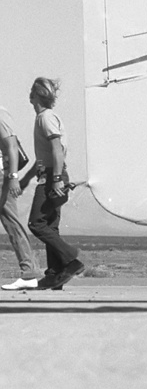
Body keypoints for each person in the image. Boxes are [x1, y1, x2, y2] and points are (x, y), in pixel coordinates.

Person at [20, 78, 82, 290]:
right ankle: (55, 275)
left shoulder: (45, 118)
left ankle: (71, 258)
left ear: (36, 95)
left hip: (51, 177)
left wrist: (55, 179)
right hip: (53, 173)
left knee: (36, 224)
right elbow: (47, 154)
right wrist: (27, 179)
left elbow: (56, 149)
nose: (30, 95)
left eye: (32, 91)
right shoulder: (46, 117)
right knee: (51, 227)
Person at [0, 103, 43, 290]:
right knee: (12, 222)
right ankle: (31, 270)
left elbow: (11, 145)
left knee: (12, 222)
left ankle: (29, 272)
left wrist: (13, 177)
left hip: (2, 176)